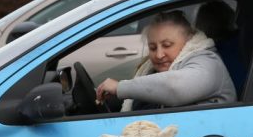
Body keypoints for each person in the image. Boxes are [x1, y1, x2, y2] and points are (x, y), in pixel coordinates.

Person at [95, 10, 236, 111]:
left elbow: (174, 87)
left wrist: (120, 87)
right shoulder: (150, 69)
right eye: (152, 47)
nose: (159, 54)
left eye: (167, 45)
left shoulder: (207, 62)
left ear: (188, 41)